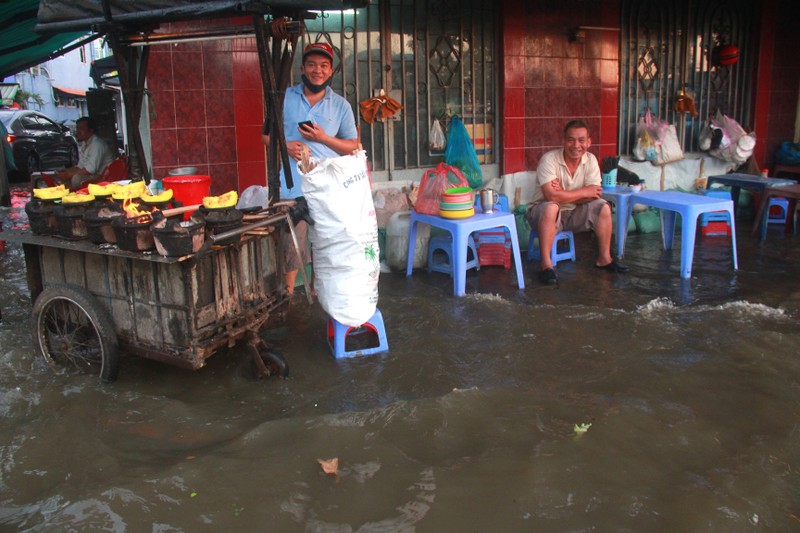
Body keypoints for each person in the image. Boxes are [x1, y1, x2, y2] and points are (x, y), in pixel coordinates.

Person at [262, 42, 358, 295]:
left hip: (327, 185)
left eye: (324, 65)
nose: (318, 70)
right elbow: (265, 137)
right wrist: (285, 145)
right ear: (303, 68)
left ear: (331, 71)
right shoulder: (283, 98)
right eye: (312, 65)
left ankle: (319, 291)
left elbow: (353, 146)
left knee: (325, 240)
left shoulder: (340, 105)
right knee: (291, 241)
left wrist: (324, 138)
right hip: (290, 185)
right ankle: (289, 293)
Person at [526, 119, 629, 285]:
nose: (576, 145)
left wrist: (562, 194)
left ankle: (605, 259)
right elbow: (551, 197)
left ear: (589, 142)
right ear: (563, 141)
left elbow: (594, 194)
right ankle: (546, 266)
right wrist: (581, 192)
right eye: (571, 140)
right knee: (552, 207)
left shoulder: (591, 160)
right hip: (543, 213)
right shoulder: (549, 160)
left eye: (581, 140)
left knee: (603, 207)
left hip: (575, 211)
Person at [54, 116, 116, 190]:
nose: (78, 132)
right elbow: (80, 166)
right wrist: (66, 172)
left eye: (81, 129)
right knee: (67, 177)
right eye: (77, 129)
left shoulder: (97, 144)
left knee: (76, 178)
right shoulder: (84, 143)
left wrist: (69, 175)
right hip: (94, 175)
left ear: (91, 130)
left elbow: (90, 170)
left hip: (103, 178)